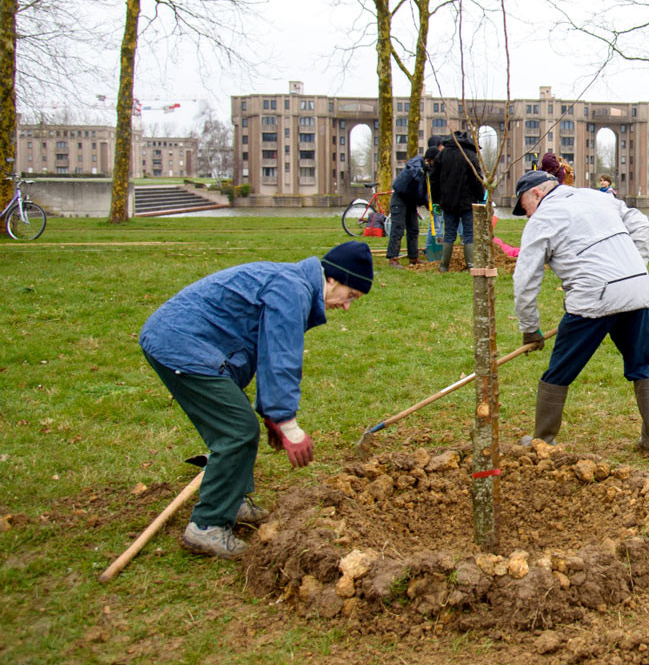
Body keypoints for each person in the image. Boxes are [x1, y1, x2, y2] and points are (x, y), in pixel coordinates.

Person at [139, 242, 373, 558]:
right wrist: (288, 426)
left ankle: (231, 501)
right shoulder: (292, 290)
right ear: (333, 279)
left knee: (239, 426)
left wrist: (271, 415)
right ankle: (207, 527)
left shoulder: (293, 283)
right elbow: (280, 357)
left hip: (186, 340)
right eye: (351, 296)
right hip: (181, 343)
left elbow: (265, 351)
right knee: (236, 431)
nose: (346, 306)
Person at [510, 170, 649, 457]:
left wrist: (530, 328)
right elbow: (641, 224)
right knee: (642, 364)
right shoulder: (596, 196)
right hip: (635, 288)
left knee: (560, 369)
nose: (527, 215)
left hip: (593, 295)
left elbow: (525, 278)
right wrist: (635, 268)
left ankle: (543, 440)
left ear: (537, 194)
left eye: (525, 207)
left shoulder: (543, 219)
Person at [430, 131, 485, 272]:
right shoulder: (470, 155)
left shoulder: (442, 154)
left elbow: (434, 179)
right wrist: (481, 198)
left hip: (448, 201)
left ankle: (443, 265)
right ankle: (471, 265)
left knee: (448, 233)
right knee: (468, 234)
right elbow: (477, 179)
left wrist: (436, 200)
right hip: (467, 202)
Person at [385, 135, 442, 268]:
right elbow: (412, 172)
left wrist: (430, 205)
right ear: (429, 159)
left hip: (411, 202)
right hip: (400, 198)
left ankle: (413, 257)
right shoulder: (417, 162)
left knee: (413, 229)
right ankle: (393, 258)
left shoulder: (430, 172)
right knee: (398, 228)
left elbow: (424, 192)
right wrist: (422, 170)